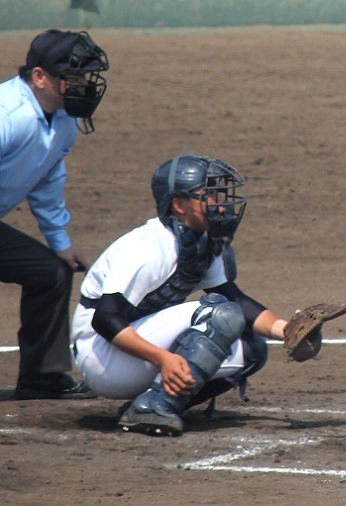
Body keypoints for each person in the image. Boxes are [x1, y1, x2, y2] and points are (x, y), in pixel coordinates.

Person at [73, 155, 295, 436]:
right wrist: (162, 359)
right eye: (209, 196)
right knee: (220, 314)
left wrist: (287, 331)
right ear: (179, 204)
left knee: (252, 348)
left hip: (131, 348)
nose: (221, 203)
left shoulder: (202, 242)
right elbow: (104, 319)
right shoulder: (147, 249)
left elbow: (235, 297)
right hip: (101, 356)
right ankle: (152, 408)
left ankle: (157, 402)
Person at [0, 30, 109, 400]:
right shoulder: (7, 116)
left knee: (51, 273)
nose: (82, 86)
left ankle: (42, 379)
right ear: (40, 77)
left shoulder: (62, 118)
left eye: (84, 78)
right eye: (73, 78)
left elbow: (46, 179)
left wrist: (60, 242)